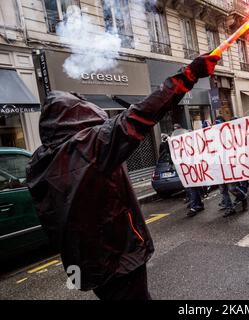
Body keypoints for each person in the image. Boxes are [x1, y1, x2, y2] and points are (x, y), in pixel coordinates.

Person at [26, 54, 220, 300]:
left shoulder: (38, 163)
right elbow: (142, 114)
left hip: (87, 266)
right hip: (118, 259)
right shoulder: (89, 147)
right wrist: (189, 74)